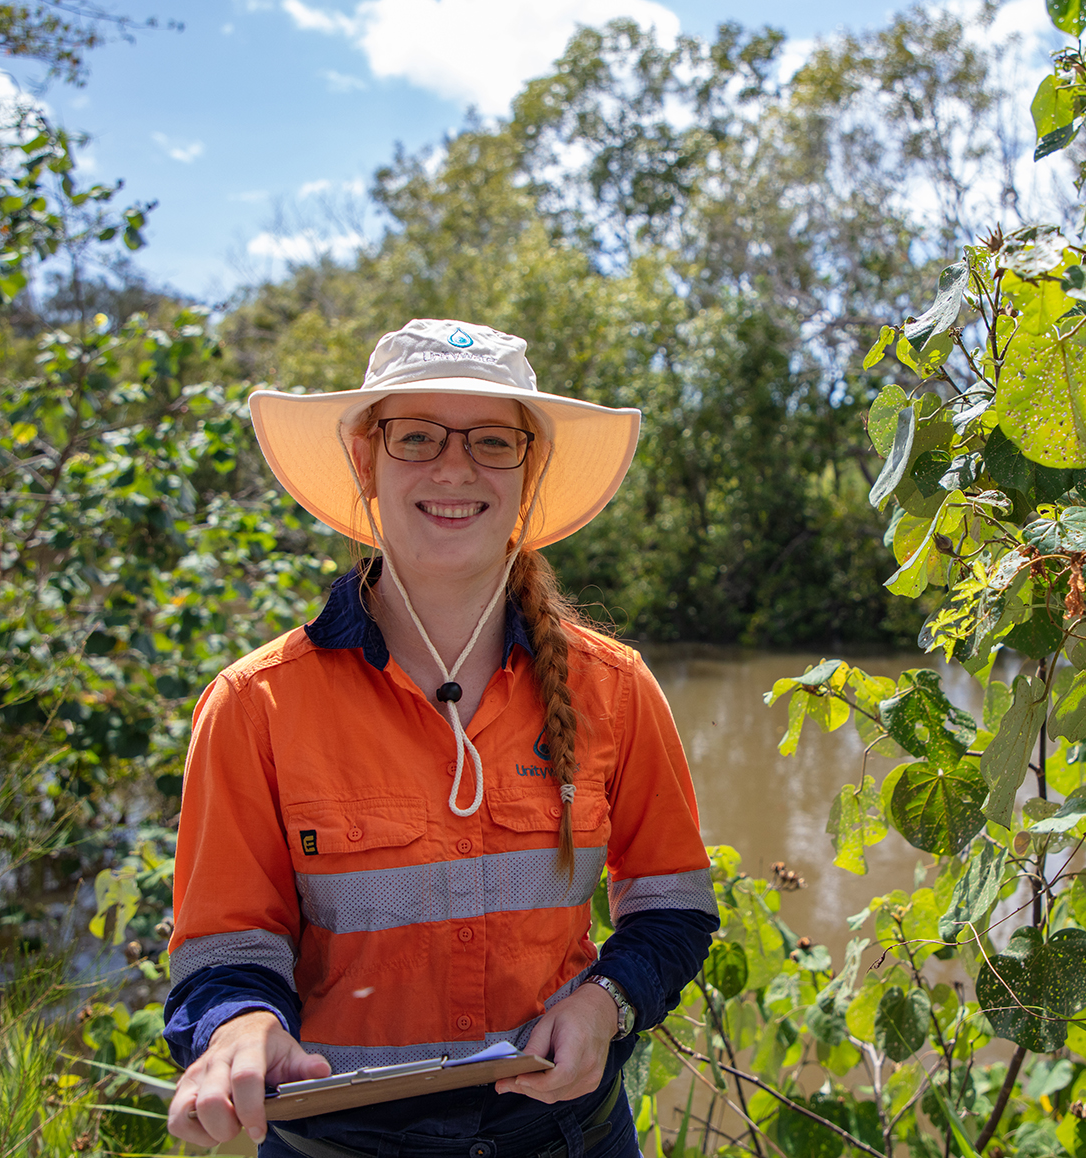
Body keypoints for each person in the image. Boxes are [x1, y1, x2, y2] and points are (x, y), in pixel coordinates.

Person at [162, 319, 719, 1158]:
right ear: (365, 461)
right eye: (416, 436)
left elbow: (672, 913)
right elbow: (228, 947)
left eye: (493, 441)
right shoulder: (255, 706)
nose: (454, 467)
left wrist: (605, 1001)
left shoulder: (615, 689)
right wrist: (239, 1025)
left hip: (569, 1137)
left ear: (528, 472)